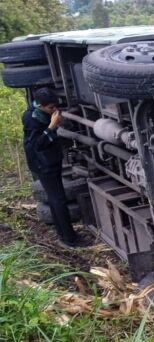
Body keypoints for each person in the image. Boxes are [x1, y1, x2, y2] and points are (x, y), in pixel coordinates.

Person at [22, 87, 90, 248]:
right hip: (43, 164)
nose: (55, 110)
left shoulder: (40, 112)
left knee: (55, 199)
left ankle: (63, 234)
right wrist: (52, 126)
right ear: (40, 106)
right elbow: (38, 144)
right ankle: (70, 239)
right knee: (58, 200)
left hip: (49, 161)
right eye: (51, 108)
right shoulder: (31, 118)